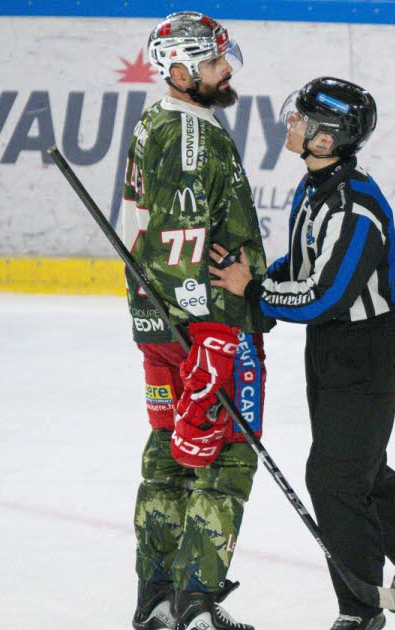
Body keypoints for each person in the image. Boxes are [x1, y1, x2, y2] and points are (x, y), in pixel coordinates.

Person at [210, 76, 395, 630]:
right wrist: (258, 284)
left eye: (301, 119)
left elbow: (325, 295)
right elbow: (301, 270)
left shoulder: (353, 206)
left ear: (326, 139)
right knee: (362, 470)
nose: (290, 124)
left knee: (334, 478)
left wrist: (254, 291)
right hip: (331, 348)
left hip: (365, 350)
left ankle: (360, 609)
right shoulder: (316, 186)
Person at [122, 11, 269, 630]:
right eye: (213, 62)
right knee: (225, 456)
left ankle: (157, 599)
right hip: (204, 328)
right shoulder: (190, 136)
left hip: (162, 325)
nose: (226, 68)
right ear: (179, 70)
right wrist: (211, 342)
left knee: (170, 454)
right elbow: (180, 245)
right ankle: (198, 606)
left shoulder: (158, 120)